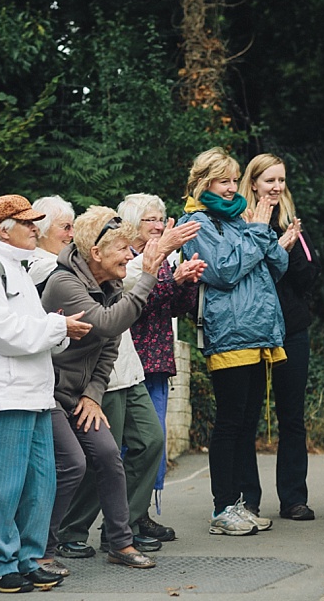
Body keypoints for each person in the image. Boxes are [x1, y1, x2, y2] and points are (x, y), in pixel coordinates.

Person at [0, 195, 91, 593]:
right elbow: (3, 333)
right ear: (3, 230)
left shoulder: (17, 268)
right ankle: (0, 564)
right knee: (4, 483)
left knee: (40, 481)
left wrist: (59, 330)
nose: (36, 227)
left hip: (32, 393)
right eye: (27, 222)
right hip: (2, 394)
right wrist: (58, 328)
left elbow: (32, 331)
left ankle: (29, 558)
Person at [40, 205, 168, 570]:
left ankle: (120, 544)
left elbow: (109, 345)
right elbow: (107, 324)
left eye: (132, 249)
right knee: (74, 464)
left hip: (78, 395)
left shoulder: (108, 283)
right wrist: (148, 275)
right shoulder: (64, 281)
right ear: (96, 252)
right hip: (45, 393)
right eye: (123, 249)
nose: (131, 255)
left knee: (109, 458)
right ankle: (45, 551)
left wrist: (93, 394)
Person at [176, 147, 291, 536]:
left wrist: (262, 229)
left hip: (260, 331)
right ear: (205, 182)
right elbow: (224, 271)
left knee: (246, 424)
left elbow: (279, 264)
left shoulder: (241, 217)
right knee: (229, 422)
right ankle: (222, 508)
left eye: (234, 178)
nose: (231, 187)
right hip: (228, 333)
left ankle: (239, 503)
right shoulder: (195, 222)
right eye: (224, 180)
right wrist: (257, 233)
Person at [239, 153, 320, 521]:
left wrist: (291, 248)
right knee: (247, 415)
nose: (275, 187)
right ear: (253, 182)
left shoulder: (292, 223)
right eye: (269, 180)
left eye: (281, 180)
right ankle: (247, 498)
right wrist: (276, 252)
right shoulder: (239, 221)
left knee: (292, 416)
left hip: (291, 327)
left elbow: (308, 277)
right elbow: (240, 274)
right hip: (252, 330)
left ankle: (293, 499)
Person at [118, 193, 205, 533]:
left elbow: (170, 306)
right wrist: (172, 276)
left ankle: (140, 515)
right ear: (131, 225)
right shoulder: (126, 256)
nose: (158, 225)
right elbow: (139, 298)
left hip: (158, 361)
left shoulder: (162, 256)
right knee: (134, 443)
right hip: (131, 360)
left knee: (154, 440)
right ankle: (125, 520)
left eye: (160, 219)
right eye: (150, 220)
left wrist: (186, 281)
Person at [26, 195, 75, 286]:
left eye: (73, 226)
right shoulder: (45, 266)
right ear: (40, 229)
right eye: (66, 227)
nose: (72, 234)